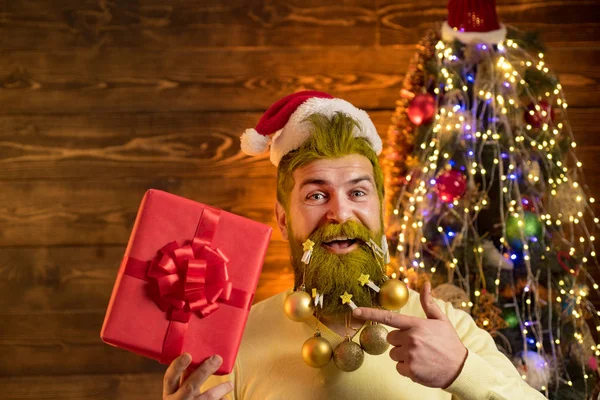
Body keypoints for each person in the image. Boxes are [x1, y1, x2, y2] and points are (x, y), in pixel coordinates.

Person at [161, 91, 546, 400]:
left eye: (357, 192)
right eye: (315, 196)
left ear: (381, 212)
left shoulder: (447, 328)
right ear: (282, 219)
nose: (339, 213)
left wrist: (462, 370)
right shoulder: (234, 342)